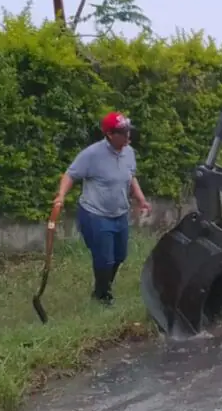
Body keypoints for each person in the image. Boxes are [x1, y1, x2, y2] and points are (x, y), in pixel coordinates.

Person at [54, 111, 151, 306]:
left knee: (119, 256)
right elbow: (70, 175)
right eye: (123, 133)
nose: (128, 136)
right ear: (110, 134)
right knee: (104, 258)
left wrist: (141, 199)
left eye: (128, 131)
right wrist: (60, 196)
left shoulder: (129, 152)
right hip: (95, 214)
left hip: (119, 213)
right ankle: (103, 295)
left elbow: (130, 176)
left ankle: (103, 288)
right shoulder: (92, 154)